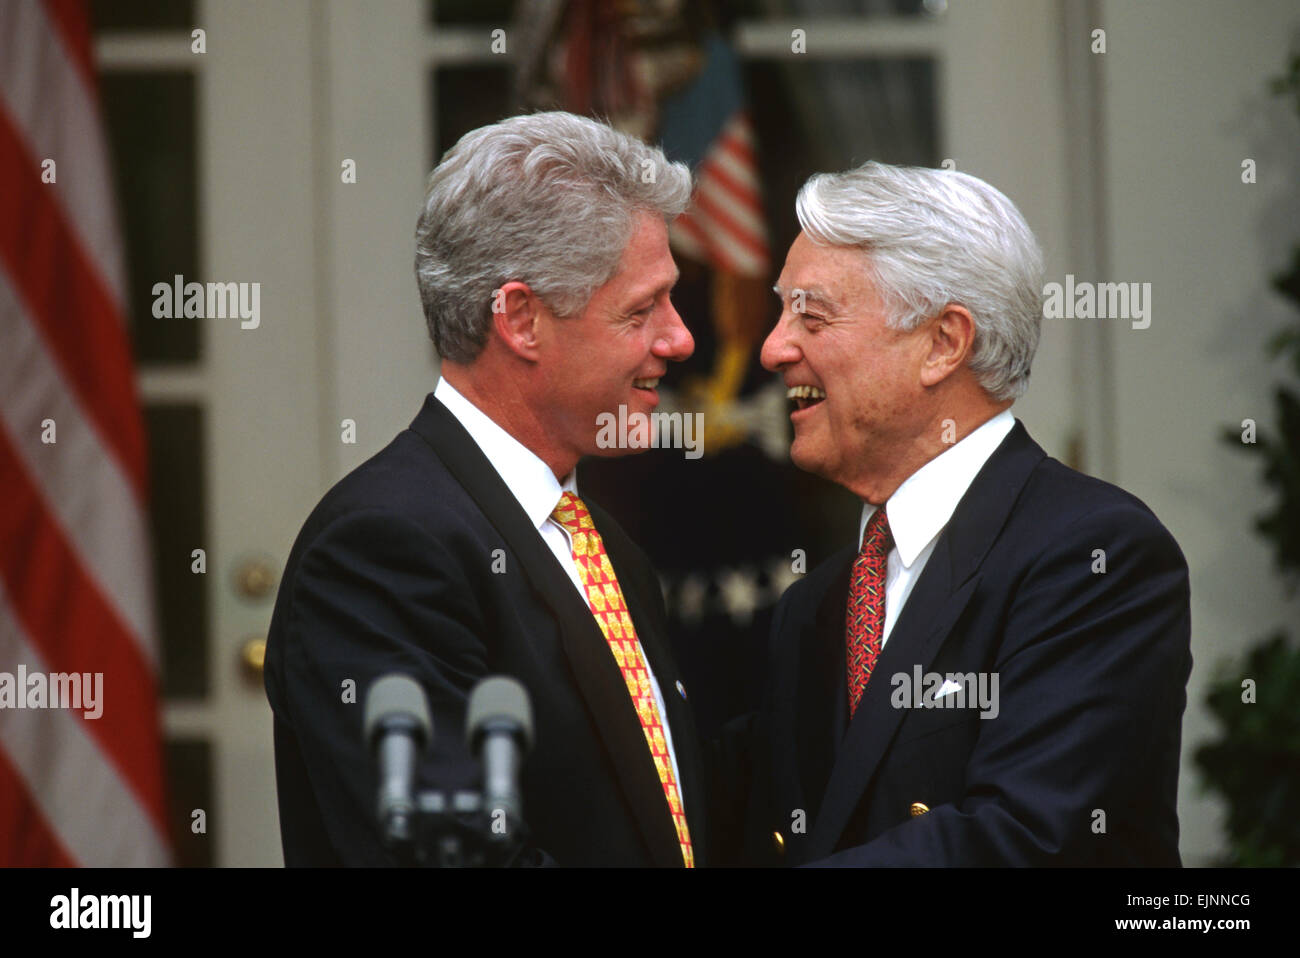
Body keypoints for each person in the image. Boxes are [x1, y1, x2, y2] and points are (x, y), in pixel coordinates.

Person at [263, 111, 705, 866]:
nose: (680, 338)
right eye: (641, 309)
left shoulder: (603, 545)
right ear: (522, 320)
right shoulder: (380, 550)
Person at [742, 161, 1191, 866]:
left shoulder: (1094, 555)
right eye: (780, 312)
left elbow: (1020, 838)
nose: (773, 348)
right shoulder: (816, 604)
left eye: (812, 315)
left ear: (943, 343)